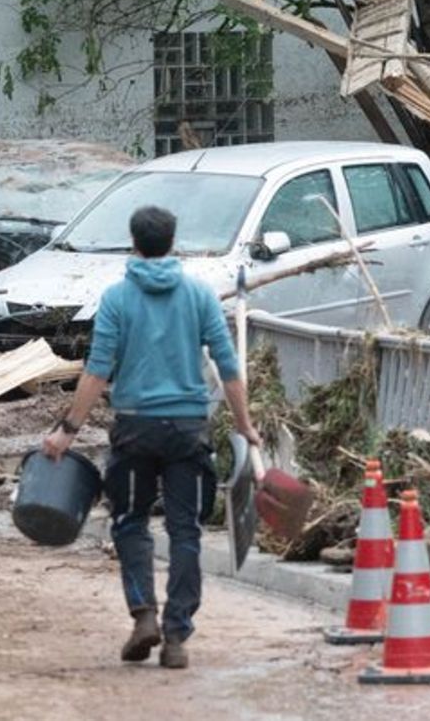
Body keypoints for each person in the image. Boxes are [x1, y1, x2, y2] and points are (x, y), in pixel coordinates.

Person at [43, 205, 262, 669]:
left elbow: (97, 372)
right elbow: (228, 367)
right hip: (188, 431)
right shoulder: (200, 296)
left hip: (135, 430)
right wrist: (245, 426)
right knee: (186, 532)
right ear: (173, 241)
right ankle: (177, 636)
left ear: (134, 242)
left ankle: (144, 613)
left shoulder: (118, 298)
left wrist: (66, 431)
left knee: (130, 523)